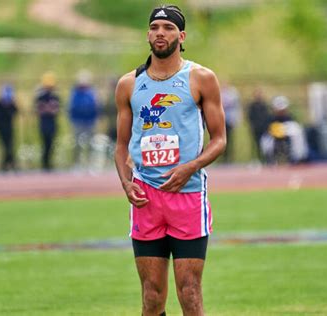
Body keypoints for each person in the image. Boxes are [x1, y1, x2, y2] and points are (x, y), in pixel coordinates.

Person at [114, 5, 226, 315]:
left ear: (181, 35)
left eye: (168, 27)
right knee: (151, 297)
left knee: (189, 294)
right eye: (155, 27)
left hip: (187, 195)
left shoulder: (201, 78)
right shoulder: (129, 84)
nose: (160, 33)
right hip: (146, 198)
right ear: (148, 34)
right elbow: (121, 146)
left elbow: (219, 140)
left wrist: (191, 166)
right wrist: (126, 183)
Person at [260, 95, 308, 164]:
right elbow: (265, 134)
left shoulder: (290, 120)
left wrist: (283, 131)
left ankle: (298, 158)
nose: (281, 111)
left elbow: (294, 131)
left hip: (287, 139)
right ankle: (270, 159)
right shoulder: (270, 120)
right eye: (279, 110)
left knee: (297, 133)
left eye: (283, 109)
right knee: (265, 140)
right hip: (273, 140)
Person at [68, 70, 99, 167]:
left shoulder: (91, 92)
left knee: (90, 143)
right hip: (78, 121)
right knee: (77, 143)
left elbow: (96, 106)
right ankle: (76, 163)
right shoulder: (75, 92)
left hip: (89, 121)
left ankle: (90, 162)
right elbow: (72, 107)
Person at [35, 72, 60, 171]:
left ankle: (49, 164)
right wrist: (48, 109)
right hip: (44, 124)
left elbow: (56, 110)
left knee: (51, 145)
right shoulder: (40, 97)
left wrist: (47, 109)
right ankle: (45, 164)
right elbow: (39, 110)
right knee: (44, 144)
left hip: (52, 124)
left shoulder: (55, 97)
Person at [0, 84, 18, 172]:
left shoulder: (11, 105)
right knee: (6, 147)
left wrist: (10, 104)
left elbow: (16, 112)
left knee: (10, 147)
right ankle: (9, 164)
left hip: (9, 129)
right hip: (0, 129)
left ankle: (7, 165)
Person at [247, 88, 270, 162]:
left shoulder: (264, 105)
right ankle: (257, 158)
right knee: (256, 144)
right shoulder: (252, 106)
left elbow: (267, 116)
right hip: (255, 128)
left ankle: (265, 158)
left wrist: (266, 126)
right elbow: (250, 117)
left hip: (263, 128)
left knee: (264, 143)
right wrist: (252, 125)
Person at [220, 82, 241, 163]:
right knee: (221, 138)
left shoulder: (232, 94)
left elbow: (235, 107)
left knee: (230, 139)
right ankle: (223, 156)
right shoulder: (219, 93)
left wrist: (236, 119)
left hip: (229, 119)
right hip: (222, 120)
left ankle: (229, 157)